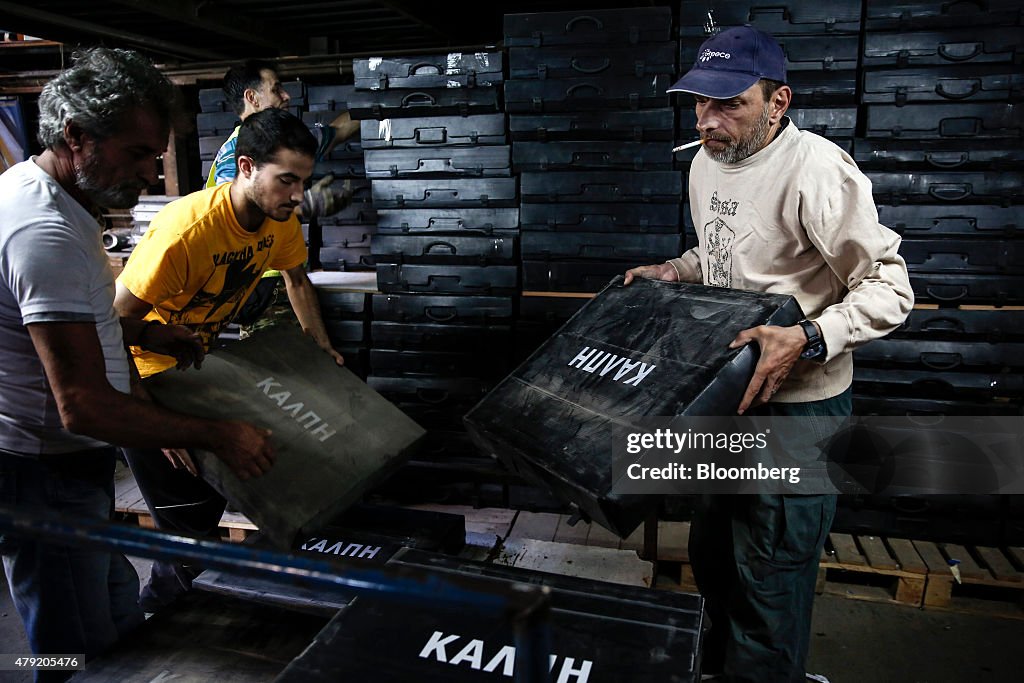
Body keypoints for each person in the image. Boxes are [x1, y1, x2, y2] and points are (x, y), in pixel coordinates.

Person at [625, 26, 913, 683]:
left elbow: (890, 289)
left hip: (797, 414)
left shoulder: (815, 169)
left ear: (778, 101)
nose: (708, 119)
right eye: (699, 102)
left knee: (772, 570)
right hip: (726, 398)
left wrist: (807, 337)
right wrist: (676, 269)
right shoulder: (706, 161)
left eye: (730, 103)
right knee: (715, 554)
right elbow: (725, 253)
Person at [0, 47, 275, 679]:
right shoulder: (43, 229)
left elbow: (64, 322)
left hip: (66, 466)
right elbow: (83, 405)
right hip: (41, 470)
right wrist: (219, 434)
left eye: (155, 155)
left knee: (116, 604)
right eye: (137, 153)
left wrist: (145, 327)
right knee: (70, 645)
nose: (152, 174)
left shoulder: (54, 198)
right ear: (76, 137)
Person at [114, 107, 343, 612]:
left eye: (302, 182)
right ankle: (167, 624)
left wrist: (319, 347)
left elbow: (297, 282)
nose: (297, 196)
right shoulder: (186, 231)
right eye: (286, 180)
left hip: (198, 365)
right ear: (244, 167)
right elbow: (110, 323)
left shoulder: (277, 219)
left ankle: (167, 601)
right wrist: (150, 417)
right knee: (186, 522)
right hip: (143, 376)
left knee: (209, 502)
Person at [207, 59, 358, 324]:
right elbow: (232, 214)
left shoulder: (286, 145)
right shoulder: (236, 153)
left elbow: (338, 131)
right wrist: (306, 205)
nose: (287, 96)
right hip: (255, 283)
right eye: (276, 89)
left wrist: (377, 95)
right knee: (273, 362)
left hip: (285, 274)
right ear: (252, 97)